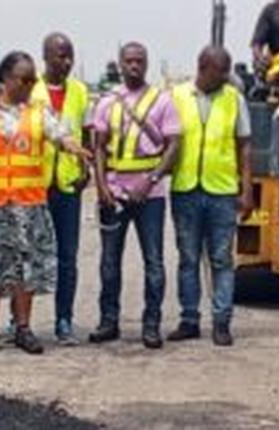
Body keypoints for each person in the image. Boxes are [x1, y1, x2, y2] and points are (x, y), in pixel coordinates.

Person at [0, 51, 91, 355]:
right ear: (6, 78)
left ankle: (23, 328)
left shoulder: (38, 111)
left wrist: (74, 147)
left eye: (33, 79)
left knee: (25, 267)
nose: (31, 84)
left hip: (28, 204)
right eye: (24, 79)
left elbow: (59, 135)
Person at [89, 42, 180, 349]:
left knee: (154, 262)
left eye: (139, 61)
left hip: (150, 195)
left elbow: (173, 146)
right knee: (109, 263)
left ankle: (151, 324)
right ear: (120, 63)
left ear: (147, 63)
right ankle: (108, 321)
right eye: (129, 61)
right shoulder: (107, 102)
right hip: (113, 193)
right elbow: (99, 147)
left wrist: (151, 179)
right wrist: (101, 187)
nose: (134, 66)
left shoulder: (162, 100)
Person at [167, 46, 254, 347]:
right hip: (186, 189)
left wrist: (247, 189)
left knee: (221, 259)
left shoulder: (234, 99)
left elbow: (244, 145)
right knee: (188, 258)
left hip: (221, 191)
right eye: (221, 70)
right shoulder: (177, 96)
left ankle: (221, 322)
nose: (226, 76)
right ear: (203, 67)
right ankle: (189, 320)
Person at [30, 32, 92, 346]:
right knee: (30, 255)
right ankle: (20, 321)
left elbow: (87, 133)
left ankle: (64, 320)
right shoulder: (31, 89)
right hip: (35, 186)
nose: (66, 62)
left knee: (67, 257)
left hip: (67, 186)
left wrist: (85, 169)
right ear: (45, 56)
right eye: (59, 56)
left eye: (70, 56)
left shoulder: (80, 91)